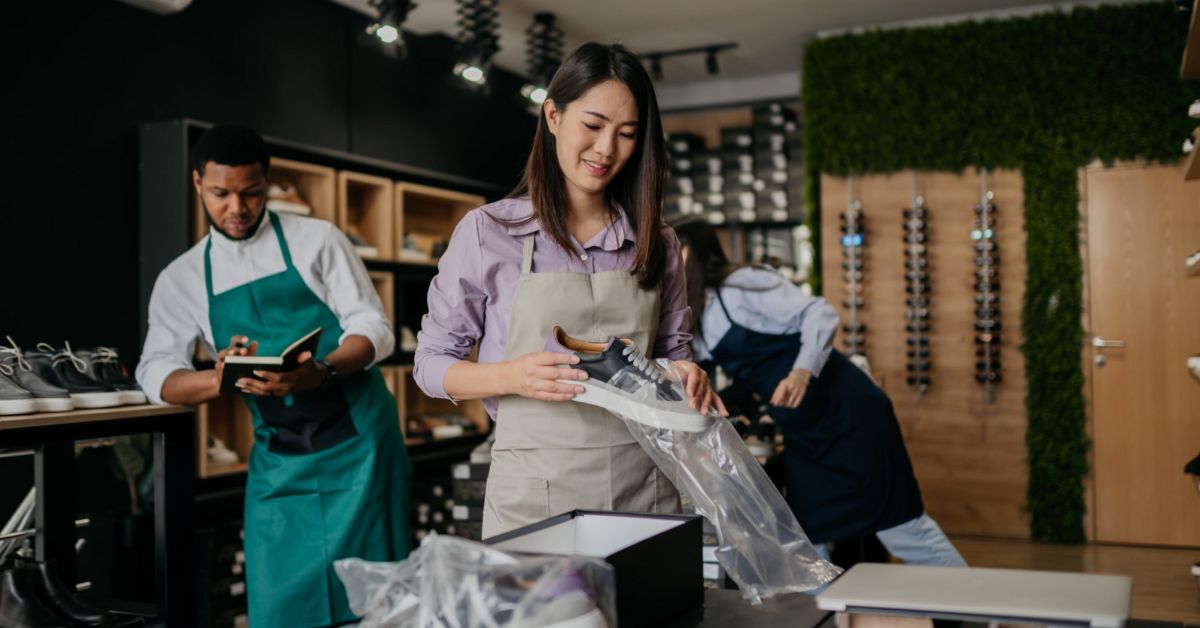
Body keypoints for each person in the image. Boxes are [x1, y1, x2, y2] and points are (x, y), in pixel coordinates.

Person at [414, 42, 724, 539]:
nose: (606, 149)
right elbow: (430, 365)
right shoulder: (488, 232)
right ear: (554, 116)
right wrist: (511, 376)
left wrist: (686, 375)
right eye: (593, 125)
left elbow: (672, 355)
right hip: (533, 495)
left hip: (643, 488)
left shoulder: (657, 241)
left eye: (627, 134)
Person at [135, 125, 410, 627]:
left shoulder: (317, 239)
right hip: (280, 458)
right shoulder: (182, 277)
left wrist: (321, 370)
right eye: (220, 194)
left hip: (362, 449)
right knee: (280, 608)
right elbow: (155, 372)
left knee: (377, 604)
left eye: (250, 192)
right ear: (197, 184)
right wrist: (218, 378)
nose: (236, 208)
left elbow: (375, 330)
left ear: (267, 181)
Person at [673, 219, 965, 567]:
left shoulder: (741, 285)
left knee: (905, 531)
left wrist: (801, 372)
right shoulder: (697, 312)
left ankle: (977, 599)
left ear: (696, 251)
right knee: (810, 541)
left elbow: (819, 312)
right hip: (807, 435)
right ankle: (833, 604)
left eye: (676, 249)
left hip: (849, 418)